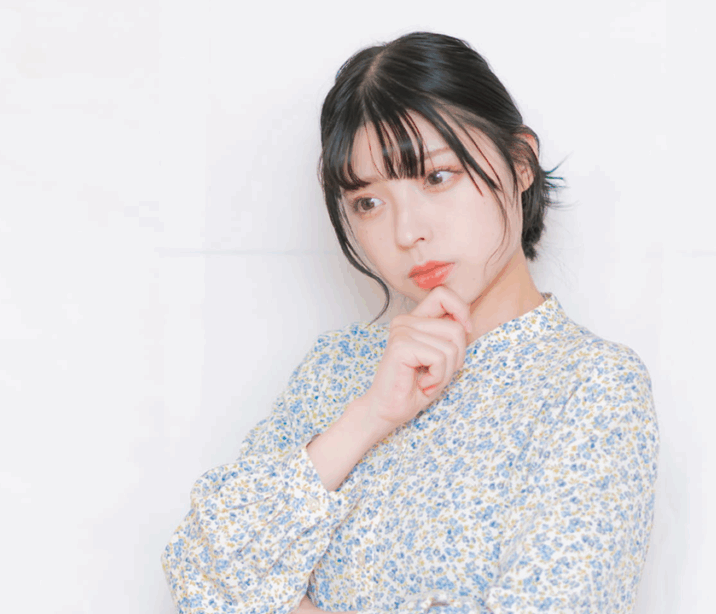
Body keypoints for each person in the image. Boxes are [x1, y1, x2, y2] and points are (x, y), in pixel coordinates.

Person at [160, 31, 659, 614]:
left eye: (436, 178)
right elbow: (200, 568)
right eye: (368, 202)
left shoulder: (592, 385)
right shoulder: (337, 367)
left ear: (520, 164)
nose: (406, 232)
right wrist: (370, 415)